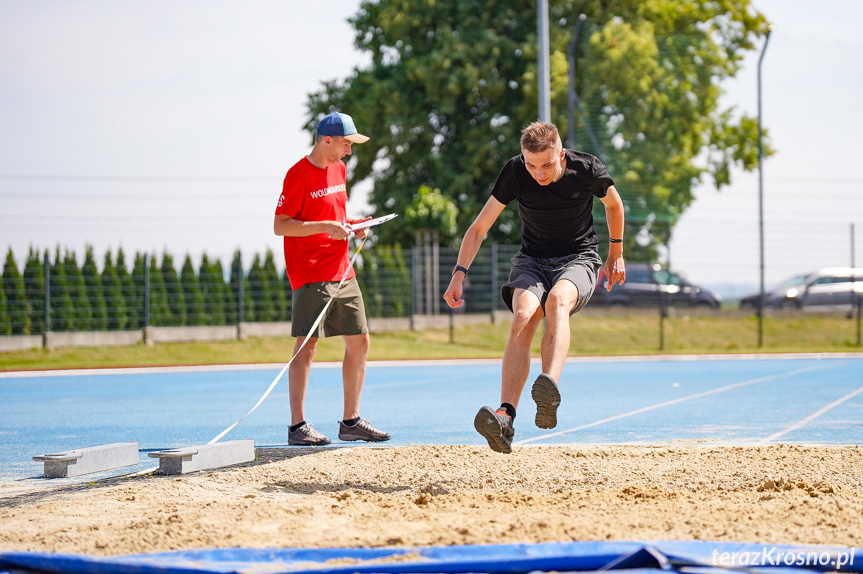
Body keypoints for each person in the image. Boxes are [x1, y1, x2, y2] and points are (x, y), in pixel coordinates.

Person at [443, 121, 626, 454]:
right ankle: (504, 416)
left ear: (562, 154)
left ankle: (548, 388)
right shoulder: (515, 172)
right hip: (532, 259)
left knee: (557, 300)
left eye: (546, 165)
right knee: (524, 313)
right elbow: (479, 227)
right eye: (531, 165)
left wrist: (616, 252)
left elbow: (614, 205)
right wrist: (459, 273)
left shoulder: (587, 168)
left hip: (578, 257)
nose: (538, 173)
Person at [274, 111, 390, 446]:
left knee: (360, 340)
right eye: (345, 144)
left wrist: (354, 225)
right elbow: (281, 224)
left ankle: (351, 421)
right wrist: (325, 228)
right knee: (306, 347)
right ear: (327, 140)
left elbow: (335, 217)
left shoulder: (339, 169)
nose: (349, 152)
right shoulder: (297, 175)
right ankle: (298, 427)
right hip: (310, 271)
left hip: (343, 269)